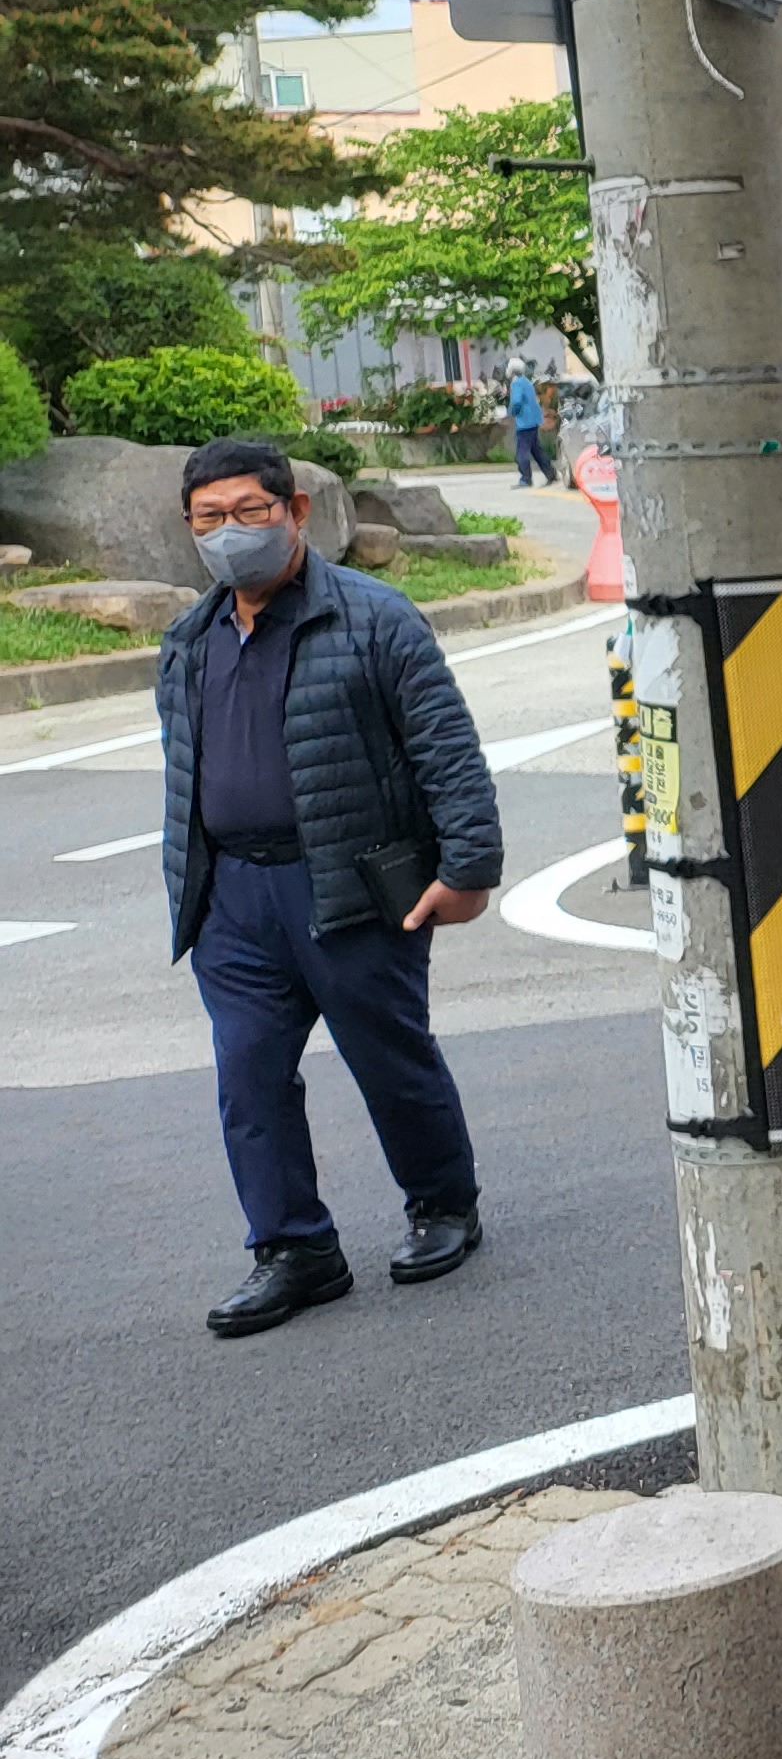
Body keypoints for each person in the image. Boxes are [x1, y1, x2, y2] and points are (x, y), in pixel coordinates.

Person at [154, 438, 503, 1338]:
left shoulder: (375, 618)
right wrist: (193, 892)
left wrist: (467, 870)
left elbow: (445, 748)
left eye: (250, 512)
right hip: (234, 898)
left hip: (349, 883)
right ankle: (294, 1248)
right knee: (249, 1077)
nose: (230, 532)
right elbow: (186, 772)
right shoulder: (188, 641)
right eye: (210, 518)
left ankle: (444, 1205)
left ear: (295, 512)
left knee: (389, 1056)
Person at [504, 359, 549, 489]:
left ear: (511, 370)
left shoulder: (516, 383)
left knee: (521, 453)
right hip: (533, 421)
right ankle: (551, 474)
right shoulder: (526, 382)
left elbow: (517, 402)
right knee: (536, 451)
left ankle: (526, 479)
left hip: (524, 422)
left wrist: (511, 414)